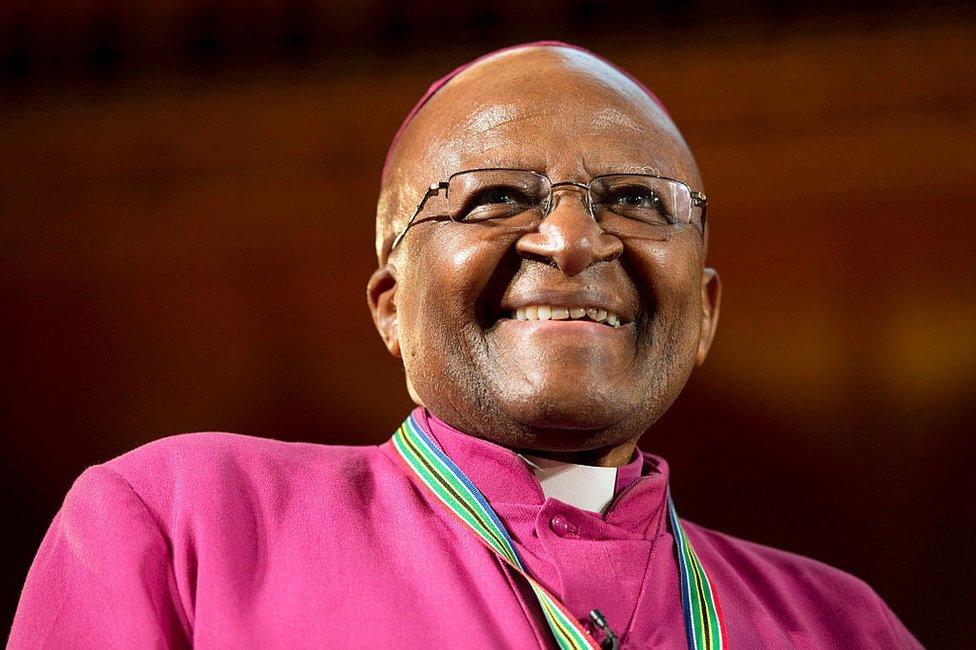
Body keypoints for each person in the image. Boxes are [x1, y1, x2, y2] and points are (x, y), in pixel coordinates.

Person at [9, 42, 921, 649]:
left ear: (707, 315)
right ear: (391, 306)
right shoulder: (186, 526)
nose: (570, 241)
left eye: (638, 201)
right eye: (494, 199)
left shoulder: (842, 625)